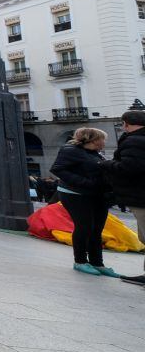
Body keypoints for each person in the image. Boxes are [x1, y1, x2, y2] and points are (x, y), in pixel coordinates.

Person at [50, 127, 118, 278]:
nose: (104, 142)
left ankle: (97, 263)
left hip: (97, 194)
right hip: (75, 194)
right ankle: (80, 261)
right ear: (93, 140)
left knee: (97, 230)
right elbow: (58, 169)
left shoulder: (95, 153)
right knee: (84, 227)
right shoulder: (70, 150)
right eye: (102, 139)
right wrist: (85, 183)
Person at [99, 110, 145, 285]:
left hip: (140, 195)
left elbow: (130, 167)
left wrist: (106, 164)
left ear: (126, 124)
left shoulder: (134, 140)